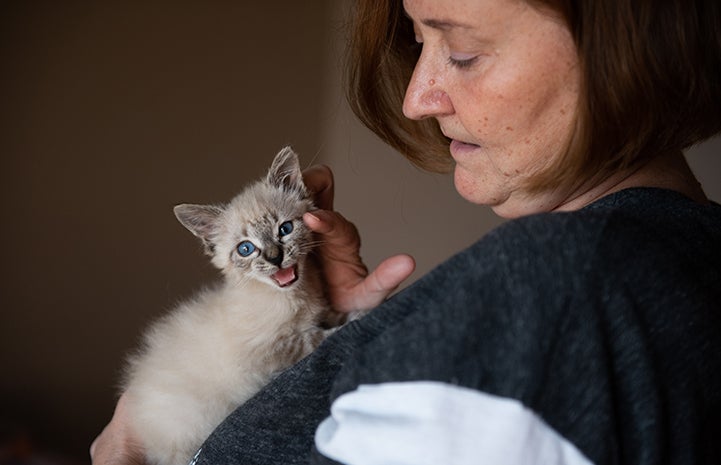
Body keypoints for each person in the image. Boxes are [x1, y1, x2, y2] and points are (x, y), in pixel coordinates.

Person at [91, 0, 721, 463]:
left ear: (624, 47)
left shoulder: (559, 283)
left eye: (464, 52)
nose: (416, 98)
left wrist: (122, 447)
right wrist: (339, 342)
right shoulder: (672, 262)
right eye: (419, 44)